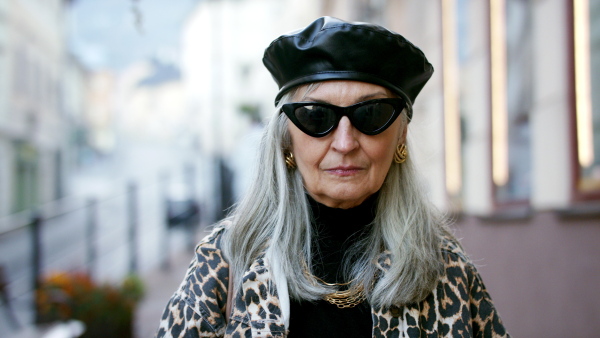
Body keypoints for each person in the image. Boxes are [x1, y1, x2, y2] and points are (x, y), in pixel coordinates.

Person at [156, 16, 509, 337]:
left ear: (400, 137)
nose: (344, 143)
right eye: (315, 115)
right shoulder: (227, 260)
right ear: (286, 139)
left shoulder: (444, 267)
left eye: (370, 114)